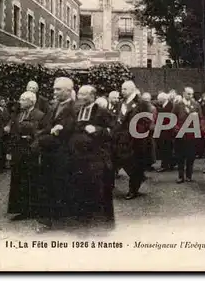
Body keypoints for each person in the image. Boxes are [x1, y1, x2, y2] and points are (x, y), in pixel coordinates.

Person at [35, 77, 76, 232]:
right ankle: (51, 219)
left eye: (58, 89)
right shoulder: (55, 106)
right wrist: (43, 135)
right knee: (49, 186)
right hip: (50, 153)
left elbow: (67, 132)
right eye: (54, 89)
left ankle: (55, 220)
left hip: (62, 155)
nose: (54, 91)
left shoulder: (74, 108)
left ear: (68, 90)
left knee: (59, 186)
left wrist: (51, 134)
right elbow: (47, 126)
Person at [69, 85, 115, 227]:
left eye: (83, 94)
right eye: (79, 94)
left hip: (96, 156)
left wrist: (97, 129)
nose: (79, 97)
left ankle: (99, 219)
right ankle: (84, 214)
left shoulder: (102, 112)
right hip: (80, 156)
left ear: (92, 96)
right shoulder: (77, 110)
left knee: (97, 186)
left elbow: (112, 131)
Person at [5, 91, 45, 221]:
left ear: (31, 101)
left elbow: (39, 133)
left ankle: (32, 209)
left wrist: (31, 143)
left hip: (29, 153)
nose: (20, 101)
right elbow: (13, 132)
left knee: (30, 180)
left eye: (23, 100)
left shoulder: (39, 115)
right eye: (20, 99)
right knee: (18, 180)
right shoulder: (19, 114)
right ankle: (20, 209)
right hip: (18, 152)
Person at [112, 80, 152, 199]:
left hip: (135, 139)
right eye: (122, 89)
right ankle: (139, 178)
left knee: (134, 163)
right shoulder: (121, 103)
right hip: (121, 138)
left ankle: (133, 189)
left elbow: (146, 121)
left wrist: (136, 133)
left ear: (132, 89)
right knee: (123, 160)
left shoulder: (142, 103)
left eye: (125, 89)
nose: (122, 91)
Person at [172, 87, 203, 183]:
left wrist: (200, 128)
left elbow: (201, 117)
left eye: (192, 94)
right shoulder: (178, 105)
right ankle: (181, 176)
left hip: (192, 134)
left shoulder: (196, 105)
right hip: (181, 135)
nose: (190, 96)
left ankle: (189, 175)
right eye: (188, 94)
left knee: (191, 156)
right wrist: (176, 128)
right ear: (184, 93)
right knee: (180, 156)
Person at [156, 92, 175, 172]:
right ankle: (168, 164)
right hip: (165, 130)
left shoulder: (169, 106)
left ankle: (165, 165)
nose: (158, 101)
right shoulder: (166, 105)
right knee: (166, 148)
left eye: (159, 99)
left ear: (163, 99)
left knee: (166, 148)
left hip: (167, 131)